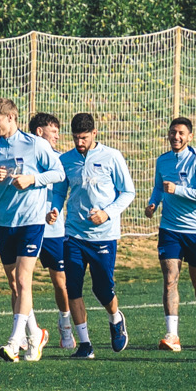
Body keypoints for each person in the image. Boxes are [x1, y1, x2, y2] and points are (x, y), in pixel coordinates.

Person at [0, 99, 57, 356]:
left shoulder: (35, 144)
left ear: (11, 118)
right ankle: (36, 334)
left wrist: (32, 179)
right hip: (3, 221)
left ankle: (14, 342)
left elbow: (58, 173)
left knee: (23, 280)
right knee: (14, 284)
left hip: (31, 220)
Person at [58, 113, 136, 359]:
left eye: (83, 138)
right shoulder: (66, 160)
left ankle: (115, 318)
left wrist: (107, 213)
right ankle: (85, 344)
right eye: (75, 138)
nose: (79, 143)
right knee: (73, 288)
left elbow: (128, 192)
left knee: (102, 289)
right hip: (74, 234)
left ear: (94, 134)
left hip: (103, 235)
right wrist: (53, 209)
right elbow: (59, 192)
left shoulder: (112, 157)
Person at [152, 115, 196, 351]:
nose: (176, 137)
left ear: (190, 136)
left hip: (195, 231)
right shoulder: (163, 161)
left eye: (181, 133)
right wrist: (153, 203)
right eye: (172, 132)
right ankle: (172, 335)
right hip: (169, 228)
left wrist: (179, 190)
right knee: (170, 279)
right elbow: (159, 188)